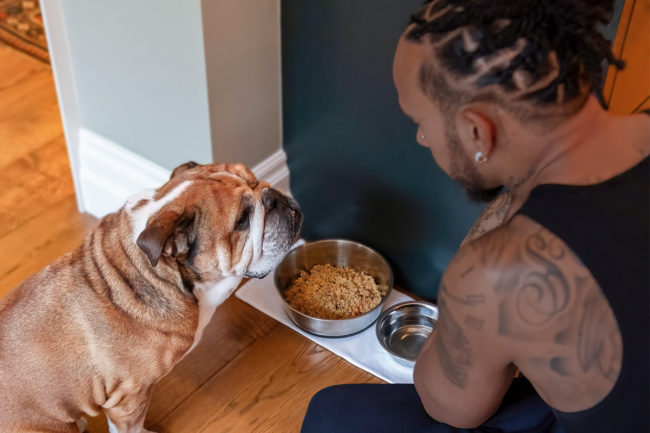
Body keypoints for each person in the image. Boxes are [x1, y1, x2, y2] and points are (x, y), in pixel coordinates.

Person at [300, 1, 649, 432]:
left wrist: (479, 252)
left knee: (335, 418)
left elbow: (448, 408)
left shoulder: (500, 269)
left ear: (476, 132)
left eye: (419, 120)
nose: (421, 136)